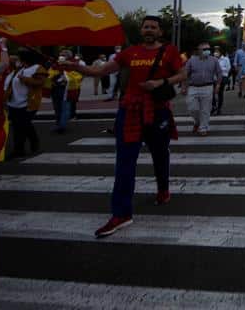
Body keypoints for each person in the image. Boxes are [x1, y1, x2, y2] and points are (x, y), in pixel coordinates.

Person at [64, 15, 186, 238]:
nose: (149, 30)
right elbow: (101, 71)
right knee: (124, 162)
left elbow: (182, 74)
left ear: (160, 32)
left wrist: (161, 82)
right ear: (141, 30)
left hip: (157, 111)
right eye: (146, 27)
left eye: (153, 27)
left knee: (160, 155)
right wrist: (77, 68)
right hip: (129, 111)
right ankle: (121, 214)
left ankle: (163, 189)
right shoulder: (129, 53)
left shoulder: (170, 51)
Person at [4, 49, 47, 158]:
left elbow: (40, 82)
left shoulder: (37, 68)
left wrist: (26, 79)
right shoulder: (19, 68)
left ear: (25, 58)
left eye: (19, 58)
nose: (17, 60)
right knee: (20, 125)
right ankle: (33, 141)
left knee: (21, 126)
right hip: (13, 103)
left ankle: (19, 150)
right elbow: (9, 59)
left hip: (28, 103)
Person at [184, 42, 222, 136]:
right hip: (193, 87)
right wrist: (184, 86)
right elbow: (185, 74)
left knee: (205, 109)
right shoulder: (191, 60)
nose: (207, 51)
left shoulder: (214, 60)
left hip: (207, 87)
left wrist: (218, 85)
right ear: (199, 50)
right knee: (192, 108)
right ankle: (197, 122)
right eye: (204, 49)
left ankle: (203, 128)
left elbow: (219, 73)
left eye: (208, 49)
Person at [213, 47, 231, 115]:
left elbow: (228, 68)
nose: (216, 53)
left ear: (221, 52)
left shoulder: (225, 59)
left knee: (220, 93)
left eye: (217, 51)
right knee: (212, 93)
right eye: (215, 51)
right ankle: (214, 106)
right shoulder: (213, 59)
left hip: (223, 77)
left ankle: (219, 108)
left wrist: (219, 69)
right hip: (213, 78)